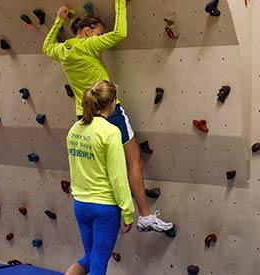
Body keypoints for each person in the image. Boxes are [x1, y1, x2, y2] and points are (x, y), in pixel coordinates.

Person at [43, 0, 172, 232]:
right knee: (135, 162)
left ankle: (120, 207)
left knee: (104, 169)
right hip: (109, 112)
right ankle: (143, 214)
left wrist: (58, 21)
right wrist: (120, 2)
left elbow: (46, 47)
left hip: (85, 117)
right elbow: (120, 33)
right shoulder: (88, 46)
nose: (100, 38)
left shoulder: (63, 50)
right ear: (86, 32)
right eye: (97, 34)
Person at [65, 80, 133, 275]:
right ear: (111, 102)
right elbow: (118, 177)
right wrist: (127, 210)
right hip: (104, 207)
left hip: (81, 204)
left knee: (89, 257)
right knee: (98, 263)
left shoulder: (75, 129)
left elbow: (74, 168)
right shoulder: (111, 132)